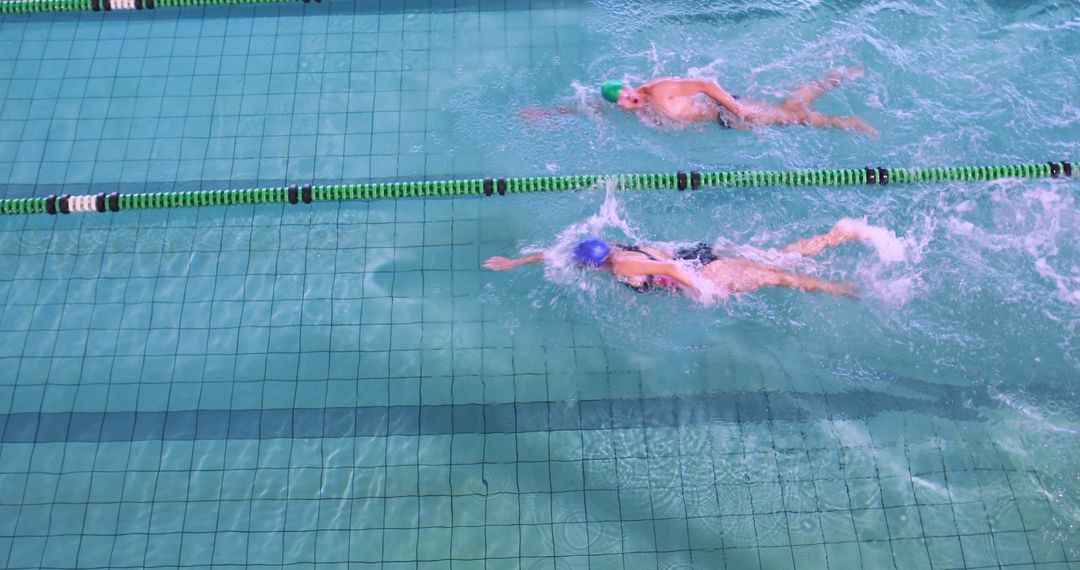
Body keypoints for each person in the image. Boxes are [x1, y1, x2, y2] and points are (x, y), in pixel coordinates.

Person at [482, 219, 895, 299]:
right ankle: (836, 236)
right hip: (697, 254)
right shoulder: (610, 250)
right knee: (775, 259)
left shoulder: (622, 266)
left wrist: (706, 293)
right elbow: (555, 255)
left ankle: (837, 285)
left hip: (701, 270)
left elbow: (669, 269)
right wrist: (516, 262)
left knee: (777, 276)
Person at [521, 67, 876, 135]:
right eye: (626, 104)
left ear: (631, 86)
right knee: (787, 112)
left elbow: (706, 83)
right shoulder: (631, 110)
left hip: (725, 110)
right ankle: (829, 79)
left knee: (790, 117)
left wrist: (736, 109)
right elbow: (591, 110)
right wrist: (548, 113)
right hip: (718, 121)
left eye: (630, 95)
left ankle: (847, 118)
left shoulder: (658, 89)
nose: (632, 103)